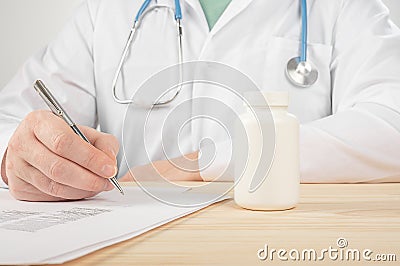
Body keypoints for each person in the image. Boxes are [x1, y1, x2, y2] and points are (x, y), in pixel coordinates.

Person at [1, 0, 400, 202]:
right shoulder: (108, 8)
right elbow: (12, 117)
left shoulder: (345, 7)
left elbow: (392, 122)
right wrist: (19, 156)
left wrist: (209, 164)